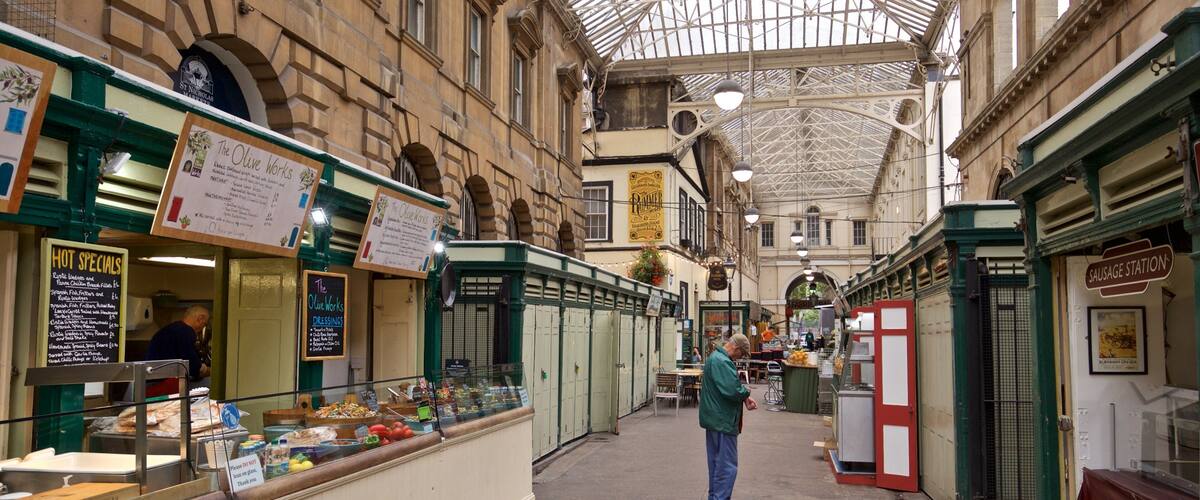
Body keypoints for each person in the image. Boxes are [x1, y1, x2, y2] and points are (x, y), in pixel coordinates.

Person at [700, 333, 757, 500]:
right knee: (726, 467)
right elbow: (732, 390)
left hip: (714, 420)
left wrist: (744, 397)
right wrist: (746, 393)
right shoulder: (722, 361)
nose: (740, 358)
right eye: (742, 354)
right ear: (737, 349)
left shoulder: (715, 358)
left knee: (716, 464)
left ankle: (715, 497)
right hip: (723, 421)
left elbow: (727, 387)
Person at [145, 305, 211, 397]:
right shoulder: (186, 332)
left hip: (149, 382)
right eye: (205, 324)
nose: (203, 327)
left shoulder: (169, 329)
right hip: (163, 385)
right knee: (210, 385)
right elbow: (193, 367)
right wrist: (209, 370)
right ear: (200, 319)